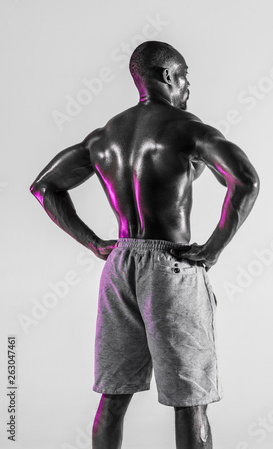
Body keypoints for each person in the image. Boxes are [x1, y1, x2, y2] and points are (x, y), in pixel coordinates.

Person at [30, 40, 260, 449]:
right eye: (186, 74)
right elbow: (246, 180)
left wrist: (94, 244)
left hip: (119, 265)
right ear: (167, 75)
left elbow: (44, 187)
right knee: (191, 400)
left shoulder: (104, 136)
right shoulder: (190, 130)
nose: (189, 85)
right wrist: (213, 248)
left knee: (114, 396)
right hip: (171, 269)